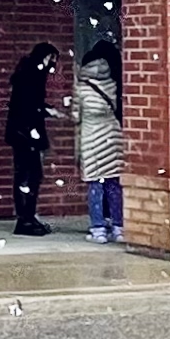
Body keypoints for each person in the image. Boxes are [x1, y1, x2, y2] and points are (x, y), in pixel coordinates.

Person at [74, 39, 126, 244]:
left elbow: (76, 116)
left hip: (91, 137)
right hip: (113, 136)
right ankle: (118, 227)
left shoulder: (82, 88)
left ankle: (98, 229)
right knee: (114, 184)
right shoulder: (113, 84)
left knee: (96, 185)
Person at [7, 42, 60, 236]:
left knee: (27, 175)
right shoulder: (32, 75)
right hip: (26, 133)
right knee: (29, 176)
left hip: (23, 132)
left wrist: (45, 110)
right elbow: (29, 105)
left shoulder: (27, 73)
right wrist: (44, 111)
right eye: (49, 59)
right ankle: (25, 218)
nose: (50, 64)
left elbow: (27, 103)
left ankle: (27, 216)